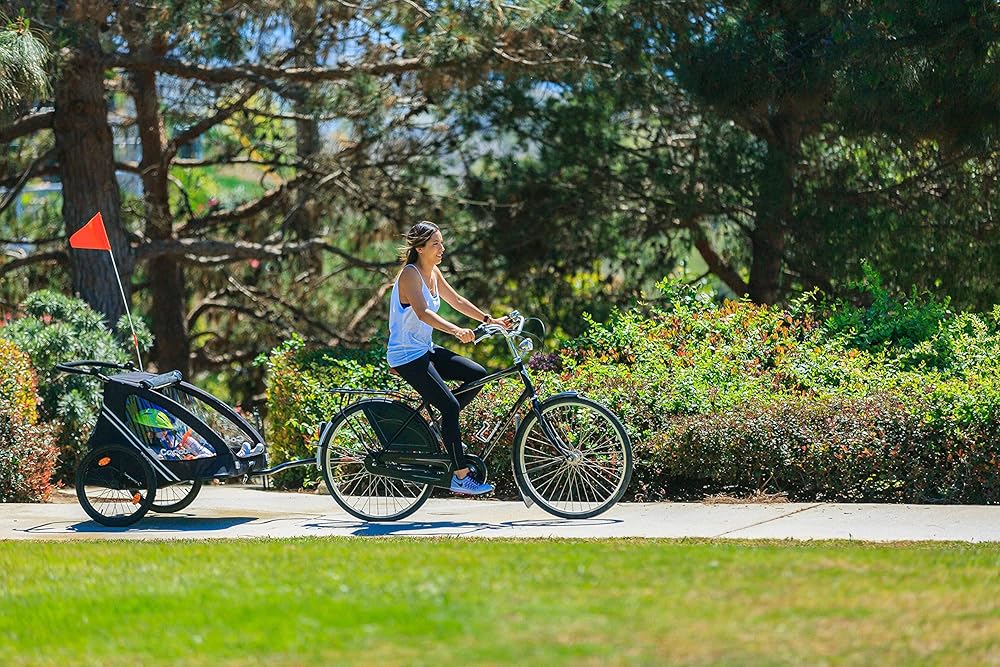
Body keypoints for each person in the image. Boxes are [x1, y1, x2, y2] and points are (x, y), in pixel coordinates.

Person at [387, 221, 508, 495]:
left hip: (424, 349)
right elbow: (422, 313)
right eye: (435, 244)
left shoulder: (433, 272)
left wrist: (491, 320)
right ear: (420, 248)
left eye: (441, 243)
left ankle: (441, 425)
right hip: (406, 355)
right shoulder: (410, 275)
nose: (442, 248)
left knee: (478, 374)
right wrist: (455, 330)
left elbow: (457, 301)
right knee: (451, 406)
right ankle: (460, 476)